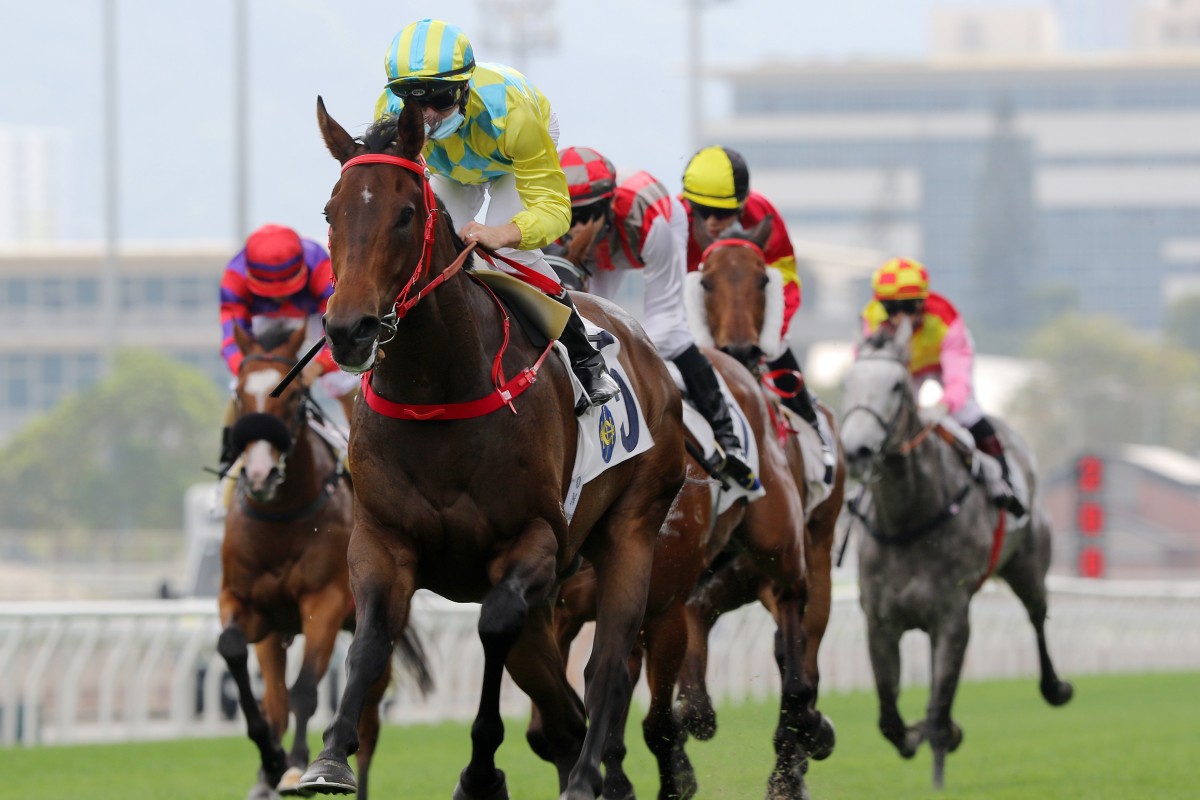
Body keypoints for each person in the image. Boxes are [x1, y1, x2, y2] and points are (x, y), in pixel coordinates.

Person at [375, 18, 617, 411]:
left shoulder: (514, 116)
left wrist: (504, 233)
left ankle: (585, 357)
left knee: (507, 254)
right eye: (416, 104)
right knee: (428, 248)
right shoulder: (388, 112)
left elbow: (555, 210)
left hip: (510, 155)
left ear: (464, 87)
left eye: (441, 99)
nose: (428, 116)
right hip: (453, 168)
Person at [553, 145, 756, 487]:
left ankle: (728, 436)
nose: (576, 228)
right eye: (570, 216)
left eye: (586, 215)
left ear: (607, 205)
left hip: (651, 223)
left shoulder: (649, 220)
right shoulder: (551, 217)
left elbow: (664, 318)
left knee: (673, 333)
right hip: (611, 235)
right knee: (585, 321)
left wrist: (626, 361)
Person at [679, 145, 832, 457]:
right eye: (702, 211)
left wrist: (768, 337)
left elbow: (785, 281)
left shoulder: (763, 214)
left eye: (722, 213)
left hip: (750, 319)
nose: (711, 221)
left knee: (780, 348)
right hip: (695, 313)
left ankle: (812, 428)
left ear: (742, 205)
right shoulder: (675, 218)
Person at [861, 257, 1025, 515]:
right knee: (886, 418)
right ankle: (863, 485)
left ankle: (1004, 481)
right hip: (907, 369)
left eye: (907, 307)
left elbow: (958, 381)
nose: (899, 317)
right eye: (891, 308)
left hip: (941, 363)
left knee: (967, 412)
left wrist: (942, 406)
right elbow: (870, 374)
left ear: (921, 304)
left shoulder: (946, 321)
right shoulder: (871, 321)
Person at [217, 223, 356, 473]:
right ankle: (228, 459)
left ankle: (362, 445)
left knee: (342, 378)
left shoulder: (322, 268)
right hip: (262, 319)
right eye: (271, 292)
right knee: (243, 386)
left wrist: (318, 367)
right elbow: (231, 340)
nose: (280, 298)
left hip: (315, 315)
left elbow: (343, 334)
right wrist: (245, 368)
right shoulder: (234, 277)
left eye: (287, 288)